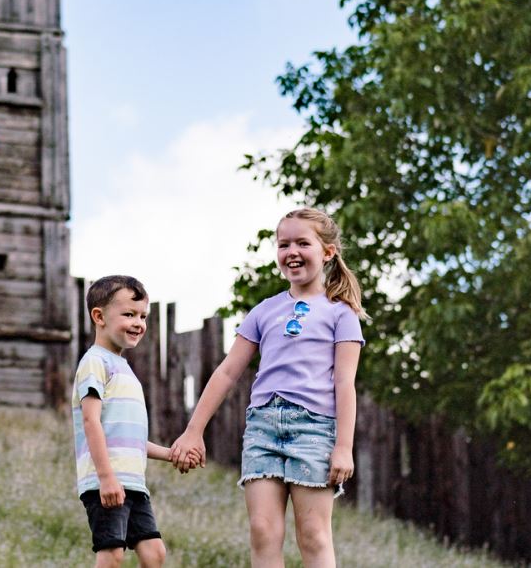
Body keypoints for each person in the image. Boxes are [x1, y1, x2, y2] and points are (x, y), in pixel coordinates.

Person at [170, 208, 366, 568]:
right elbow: (228, 372)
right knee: (262, 530)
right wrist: (193, 431)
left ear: (327, 252)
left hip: (315, 431)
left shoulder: (341, 314)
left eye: (302, 243)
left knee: (313, 534)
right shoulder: (264, 311)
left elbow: (345, 383)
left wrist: (343, 448)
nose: (291, 251)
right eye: (283, 244)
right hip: (263, 428)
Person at [74, 275, 181, 568]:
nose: (139, 323)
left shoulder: (125, 369)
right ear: (99, 316)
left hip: (133, 482)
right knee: (112, 553)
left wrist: (170, 455)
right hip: (105, 481)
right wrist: (107, 477)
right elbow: (90, 421)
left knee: (154, 552)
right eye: (129, 314)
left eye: (143, 316)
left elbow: (129, 439)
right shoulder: (95, 362)